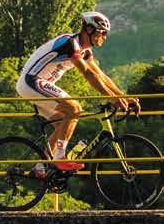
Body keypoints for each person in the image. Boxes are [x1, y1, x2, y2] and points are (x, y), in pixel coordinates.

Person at [16, 11, 141, 176]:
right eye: (102, 32)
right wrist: (112, 98)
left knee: (64, 123)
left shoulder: (85, 51)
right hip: (31, 81)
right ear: (89, 29)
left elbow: (100, 76)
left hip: (38, 84)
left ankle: (40, 168)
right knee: (74, 108)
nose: (104, 37)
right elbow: (88, 75)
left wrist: (122, 97)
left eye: (105, 34)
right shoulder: (71, 44)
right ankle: (60, 158)